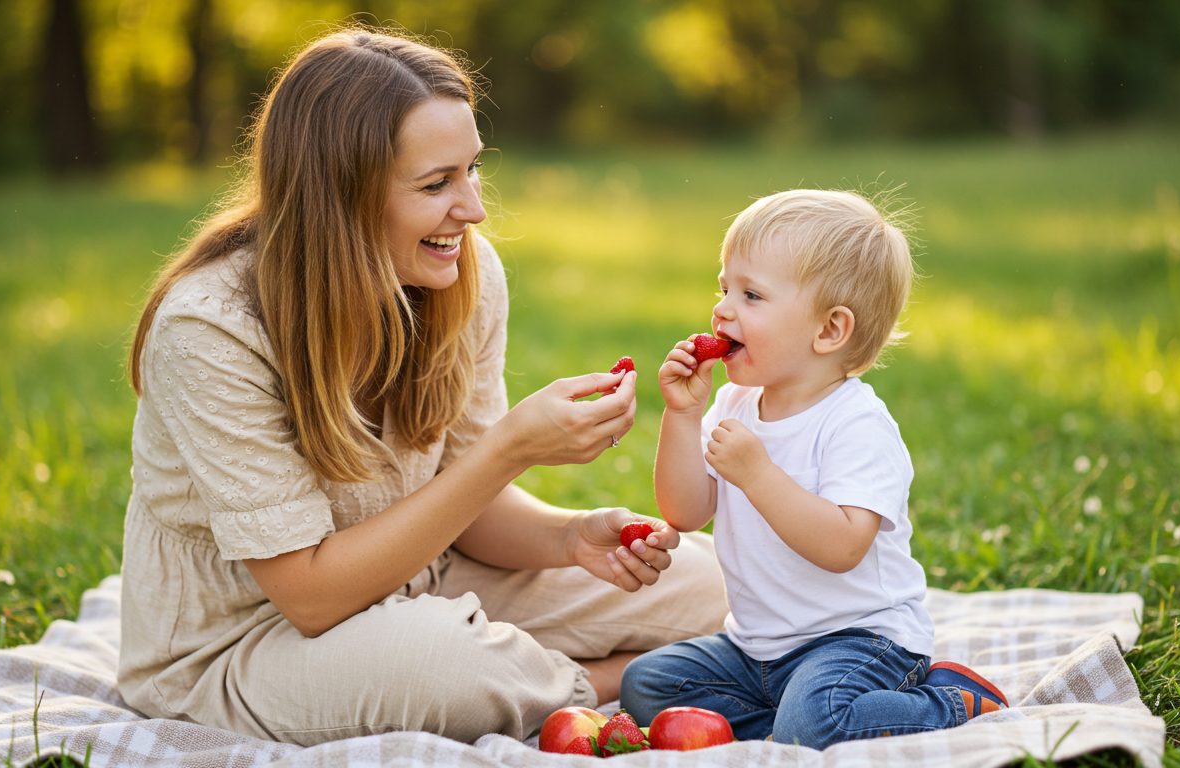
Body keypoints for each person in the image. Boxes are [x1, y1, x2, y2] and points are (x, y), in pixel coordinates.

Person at [117, 26, 726, 747]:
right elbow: (310, 598)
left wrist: (571, 538)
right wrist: (510, 449)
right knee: (444, 666)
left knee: (705, 583)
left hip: (425, 574)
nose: (473, 208)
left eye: (472, 170)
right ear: (339, 197)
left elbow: (467, 508)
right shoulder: (211, 330)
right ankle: (612, 682)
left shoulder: (461, 273)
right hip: (248, 640)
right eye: (436, 184)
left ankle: (557, 665)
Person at [619, 189, 1008, 748]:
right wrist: (683, 415)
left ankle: (949, 700)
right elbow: (685, 512)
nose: (722, 310)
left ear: (828, 331)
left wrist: (758, 475)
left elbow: (843, 547)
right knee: (648, 685)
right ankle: (791, 728)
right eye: (724, 289)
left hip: (860, 641)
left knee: (815, 719)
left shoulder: (856, 423)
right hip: (755, 649)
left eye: (751, 294)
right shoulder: (733, 405)